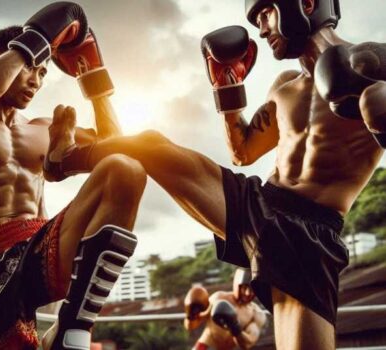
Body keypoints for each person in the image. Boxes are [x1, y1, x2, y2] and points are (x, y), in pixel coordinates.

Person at [45, 0, 385, 348]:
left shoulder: (376, 66)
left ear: (305, 4)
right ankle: (66, 158)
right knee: (151, 144)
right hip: (258, 202)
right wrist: (227, 87)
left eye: (265, 13)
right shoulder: (285, 86)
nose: (261, 29)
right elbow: (243, 151)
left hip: (309, 232)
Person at [0, 3, 147, 350]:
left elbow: (116, 148)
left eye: (44, 72)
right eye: (29, 67)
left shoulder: (44, 128)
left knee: (124, 169)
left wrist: (92, 76)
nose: (36, 79)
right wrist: (35, 39)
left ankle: (72, 325)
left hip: (43, 249)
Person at [184, 268, 266, 350]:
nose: (248, 293)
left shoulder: (256, 314)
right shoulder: (218, 298)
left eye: (253, 290)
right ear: (237, 285)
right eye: (245, 287)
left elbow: (247, 344)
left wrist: (235, 327)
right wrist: (190, 315)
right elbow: (190, 327)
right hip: (205, 347)